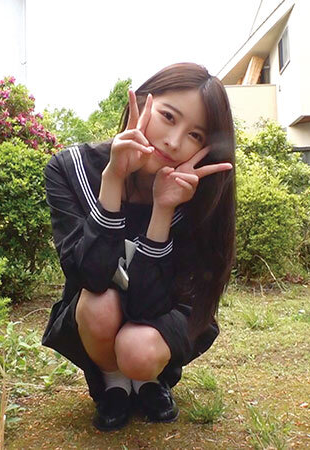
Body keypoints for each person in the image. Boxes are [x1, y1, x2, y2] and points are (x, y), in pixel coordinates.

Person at [41, 62, 236, 432]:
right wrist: (113, 178)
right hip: (91, 315)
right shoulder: (71, 168)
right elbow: (90, 276)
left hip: (164, 315)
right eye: (168, 117)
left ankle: (149, 379)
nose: (173, 142)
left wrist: (164, 209)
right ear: (143, 102)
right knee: (99, 302)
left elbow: (153, 305)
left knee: (138, 349)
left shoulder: (199, 192)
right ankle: (113, 383)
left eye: (195, 135)